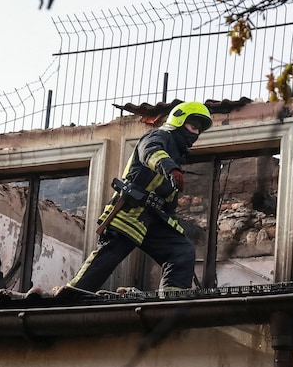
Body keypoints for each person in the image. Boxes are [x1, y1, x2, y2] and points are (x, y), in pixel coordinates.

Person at [61, 101, 213, 295]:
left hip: (154, 218)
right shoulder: (158, 136)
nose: (196, 133)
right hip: (131, 211)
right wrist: (170, 168)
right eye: (193, 126)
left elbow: (168, 201)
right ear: (179, 120)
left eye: (200, 130)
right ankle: (73, 294)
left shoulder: (177, 156)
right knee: (110, 252)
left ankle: (171, 299)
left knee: (181, 251)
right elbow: (149, 151)